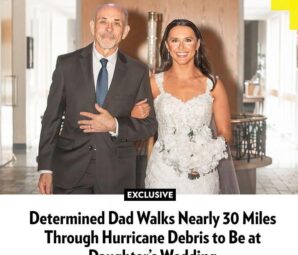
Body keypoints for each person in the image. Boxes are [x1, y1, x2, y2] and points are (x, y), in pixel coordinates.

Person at [37, 3, 157, 194]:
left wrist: (115, 125)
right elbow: (51, 119)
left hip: (117, 175)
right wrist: (45, 168)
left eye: (116, 23)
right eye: (103, 22)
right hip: (70, 172)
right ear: (93, 26)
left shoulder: (138, 71)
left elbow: (149, 125)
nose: (109, 29)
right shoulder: (66, 64)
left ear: (125, 31)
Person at [144, 19, 236, 194]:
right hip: (162, 172)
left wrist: (207, 155)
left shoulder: (213, 84)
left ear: (197, 44)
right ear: (167, 46)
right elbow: (137, 119)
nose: (181, 47)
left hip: (203, 175)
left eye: (188, 40)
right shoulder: (154, 83)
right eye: (174, 40)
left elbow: (226, 133)